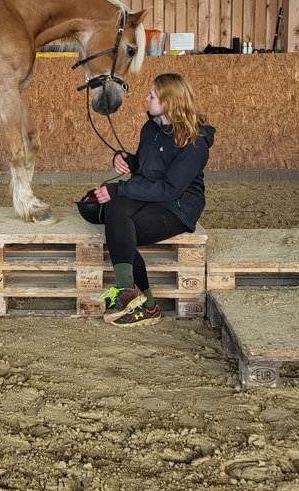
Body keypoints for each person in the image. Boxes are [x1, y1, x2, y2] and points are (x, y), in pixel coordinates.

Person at [92, 73, 216, 326]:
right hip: (151, 194)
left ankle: (145, 304)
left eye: (152, 95)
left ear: (169, 102)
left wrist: (119, 190)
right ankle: (131, 293)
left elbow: (170, 189)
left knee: (121, 230)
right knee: (114, 212)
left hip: (178, 206)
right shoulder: (151, 128)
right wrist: (127, 160)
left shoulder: (195, 142)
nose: (146, 98)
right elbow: (148, 169)